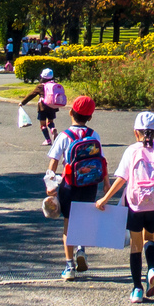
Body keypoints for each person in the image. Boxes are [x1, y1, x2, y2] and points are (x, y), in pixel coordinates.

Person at [96, 110, 154, 303]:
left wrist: (104, 199)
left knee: (135, 245)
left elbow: (121, 179)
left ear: (136, 132)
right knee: (149, 237)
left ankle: (137, 289)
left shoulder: (131, 151)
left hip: (136, 204)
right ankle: (152, 269)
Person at [46, 95, 105, 281]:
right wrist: (107, 184)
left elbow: (53, 164)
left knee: (68, 225)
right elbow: (101, 161)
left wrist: (50, 186)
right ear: (90, 117)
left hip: (70, 185)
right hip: (90, 186)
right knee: (83, 221)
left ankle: (69, 266)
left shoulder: (64, 136)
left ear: (71, 112)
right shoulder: (94, 135)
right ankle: (81, 249)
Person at [35, 69, 68, 146]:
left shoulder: (40, 86)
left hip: (42, 107)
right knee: (50, 122)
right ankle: (52, 129)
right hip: (52, 107)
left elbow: (32, 94)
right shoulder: (55, 85)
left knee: (43, 125)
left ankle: (48, 140)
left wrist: (22, 103)